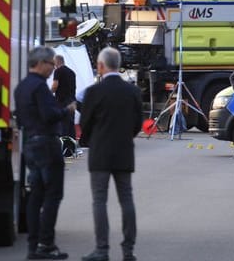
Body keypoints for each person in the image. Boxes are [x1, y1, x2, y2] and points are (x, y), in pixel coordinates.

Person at [80, 47, 142, 261]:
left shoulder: (93, 92)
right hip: (124, 152)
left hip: (100, 154)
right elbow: (137, 124)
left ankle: (102, 250)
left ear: (100, 66)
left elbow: (84, 124)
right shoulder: (132, 91)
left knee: (100, 201)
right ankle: (128, 250)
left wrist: (92, 140)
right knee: (126, 199)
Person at [14, 46, 76, 260]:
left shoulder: (21, 87)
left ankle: (34, 246)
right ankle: (46, 244)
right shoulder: (40, 88)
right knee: (52, 194)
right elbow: (49, 115)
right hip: (47, 144)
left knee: (36, 195)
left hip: (30, 142)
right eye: (50, 63)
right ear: (40, 64)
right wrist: (66, 111)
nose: (52, 68)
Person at [51, 54, 76, 140]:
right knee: (70, 125)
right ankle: (72, 147)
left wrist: (48, 94)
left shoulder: (58, 71)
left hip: (62, 102)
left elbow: (55, 86)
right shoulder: (72, 72)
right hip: (72, 102)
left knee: (62, 125)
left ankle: (63, 147)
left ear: (56, 62)